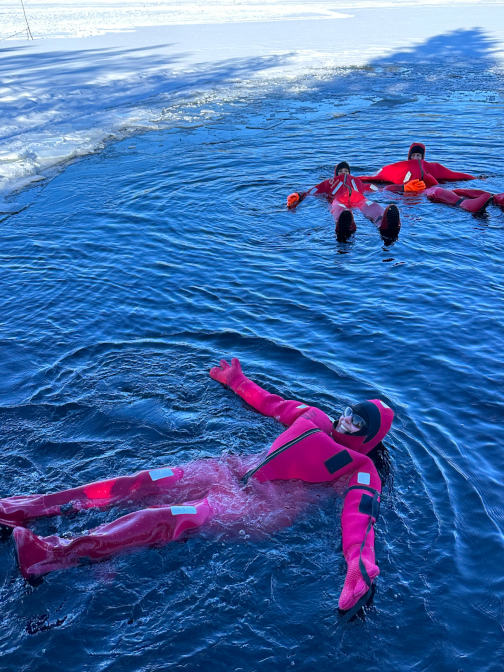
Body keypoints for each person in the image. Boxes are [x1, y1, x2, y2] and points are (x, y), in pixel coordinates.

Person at [1, 358, 394, 615]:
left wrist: (358, 569)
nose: (345, 422)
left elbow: (360, 520)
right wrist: (235, 380)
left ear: (369, 437)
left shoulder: (360, 469)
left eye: (357, 424)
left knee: (167, 515)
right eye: (347, 413)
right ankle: (26, 508)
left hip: (260, 506)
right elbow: (271, 403)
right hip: (228, 470)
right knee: (142, 481)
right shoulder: (312, 416)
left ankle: (52, 554)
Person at [287, 161, 417, 235]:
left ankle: (383, 222)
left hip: (359, 199)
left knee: (373, 206)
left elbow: (379, 189)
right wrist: (298, 195)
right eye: (341, 171)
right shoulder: (328, 183)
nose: (344, 173)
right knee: (339, 210)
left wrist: (403, 188)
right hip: (339, 200)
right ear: (336, 173)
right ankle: (346, 224)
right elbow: (311, 192)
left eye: (346, 171)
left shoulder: (358, 182)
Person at [358, 142, 477, 188]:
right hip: (403, 191)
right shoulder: (399, 168)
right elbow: (375, 177)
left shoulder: (432, 168)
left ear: (423, 157)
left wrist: (476, 178)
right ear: (409, 156)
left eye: (418, 156)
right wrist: (352, 179)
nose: (416, 159)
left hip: (426, 190)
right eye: (413, 155)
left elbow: (453, 175)